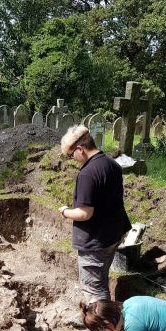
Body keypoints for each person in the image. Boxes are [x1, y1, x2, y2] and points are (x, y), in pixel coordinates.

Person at [59, 125, 131, 303]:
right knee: (100, 278)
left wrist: (65, 212)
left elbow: (85, 213)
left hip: (96, 239)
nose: (72, 159)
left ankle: (101, 323)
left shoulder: (87, 174)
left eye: (71, 155)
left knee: (93, 288)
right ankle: (103, 317)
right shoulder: (111, 163)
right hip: (113, 233)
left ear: (80, 149)